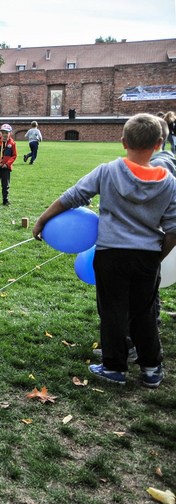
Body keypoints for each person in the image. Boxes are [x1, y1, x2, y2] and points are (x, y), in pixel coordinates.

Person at [32, 113, 176, 388]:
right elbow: (173, 228)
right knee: (144, 312)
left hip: (111, 256)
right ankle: (151, 369)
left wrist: (42, 219)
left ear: (123, 141)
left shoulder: (107, 171)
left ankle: (114, 368)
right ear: (159, 144)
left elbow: (72, 196)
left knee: (112, 311)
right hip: (146, 256)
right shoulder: (169, 181)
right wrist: (157, 257)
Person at [0, 124, 17, 205]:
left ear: (10, 133)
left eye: (6, 133)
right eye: (3, 132)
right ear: (0, 133)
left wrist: (7, 164)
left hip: (6, 168)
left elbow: (14, 155)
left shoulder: (12, 144)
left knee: (5, 184)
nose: (4, 134)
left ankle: (5, 199)